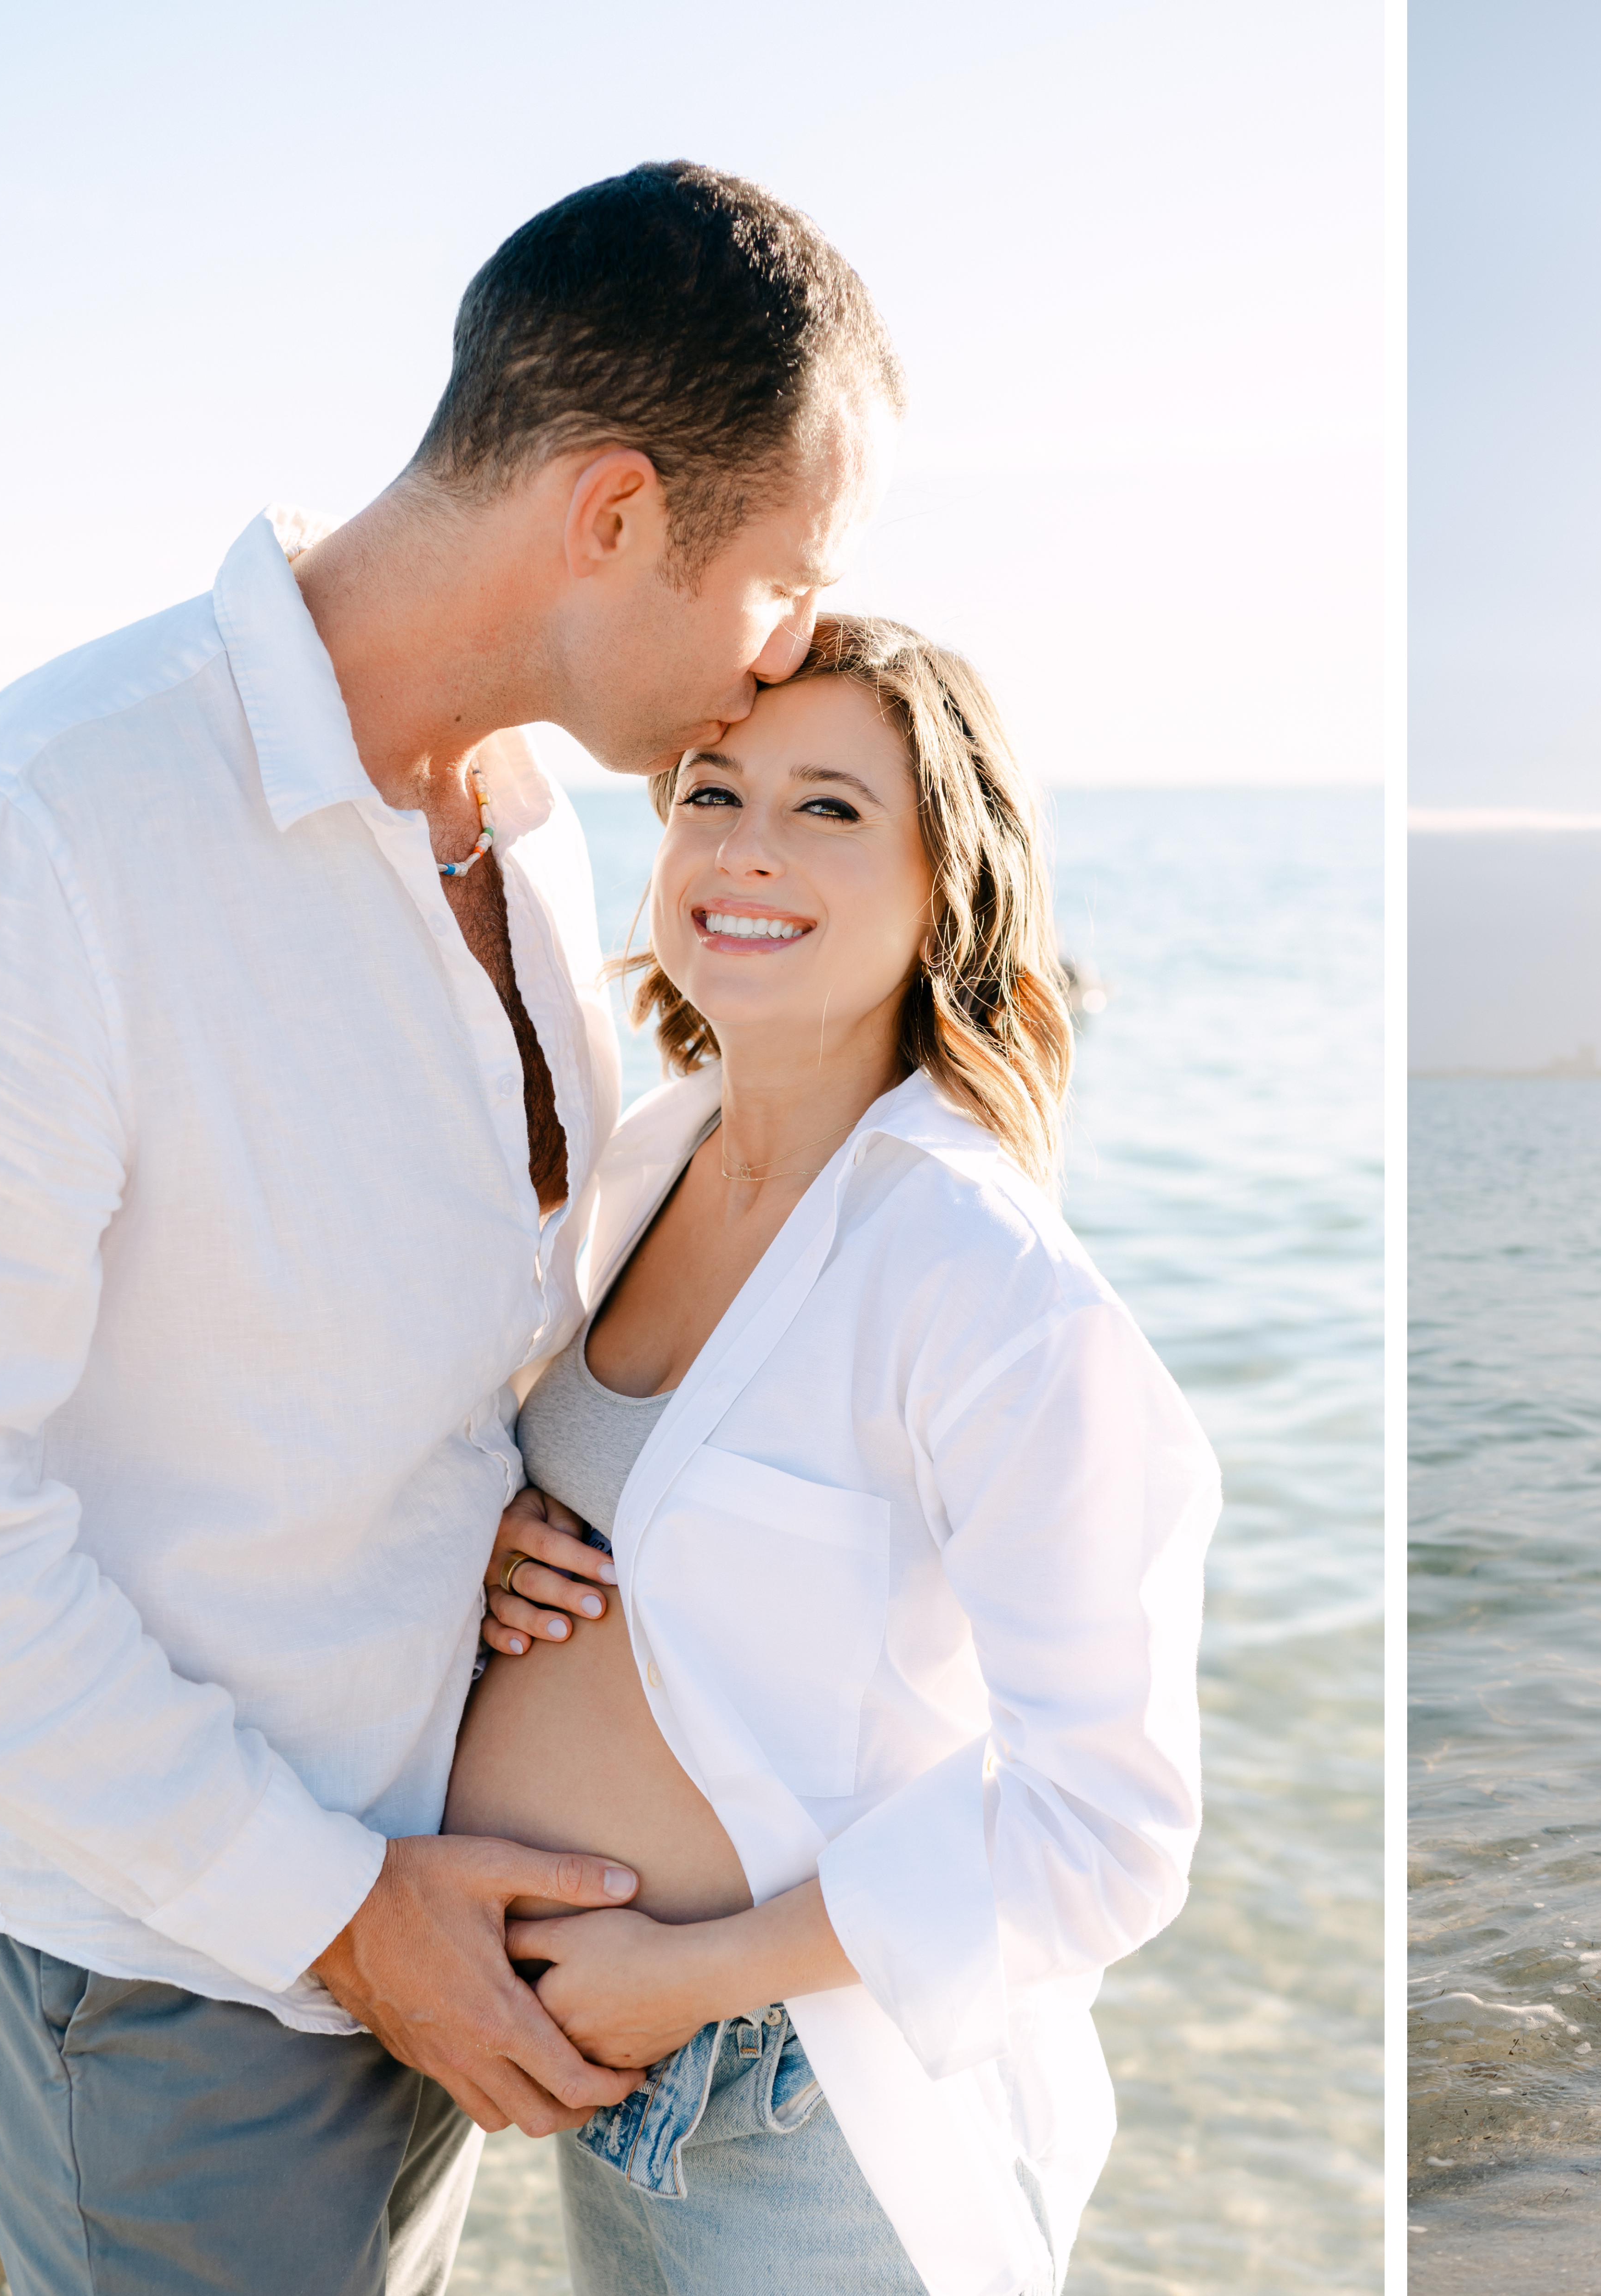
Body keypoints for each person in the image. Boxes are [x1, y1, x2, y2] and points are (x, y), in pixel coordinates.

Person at [0, 162, 900, 2293]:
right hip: (183, 1984)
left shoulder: (538, 837)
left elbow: (411, 1321)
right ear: (611, 513)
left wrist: (443, 1502)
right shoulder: (54, 829)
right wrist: (330, 1908)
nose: (801, 648)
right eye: (786, 575)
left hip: (436, 1924)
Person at [445, 614, 1217, 2296]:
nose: (746, 849)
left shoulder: (981, 1274)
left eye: (830, 810)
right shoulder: (647, 1161)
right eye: (714, 792)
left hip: (804, 2112)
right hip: (616, 2082)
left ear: (950, 879)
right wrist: (493, 1530)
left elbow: (1111, 1826)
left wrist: (694, 1973)